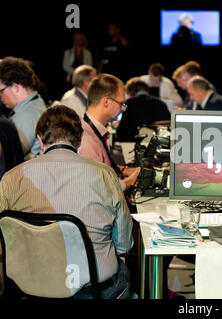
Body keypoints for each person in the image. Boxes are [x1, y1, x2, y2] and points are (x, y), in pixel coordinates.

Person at [0, 105, 135, 299]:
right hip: (94, 289)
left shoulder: (11, 178)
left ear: (39, 138)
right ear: (79, 140)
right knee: (126, 272)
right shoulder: (104, 175)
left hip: (30, 286)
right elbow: (123, 244)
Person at [78, 73, 140, 191]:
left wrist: (126, 171)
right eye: (121, 103)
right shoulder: (86, 139)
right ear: (106, 101)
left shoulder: (94, 131)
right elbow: (99, 188)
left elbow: (103, 167)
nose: (123, 108)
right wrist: (131, 180)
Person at [0, 56, 46, 159]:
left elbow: (7, 154)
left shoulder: (27, 114)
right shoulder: (35, 103)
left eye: (1, 91)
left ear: (15, 87)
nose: (0, 97)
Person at [115, 77, 170, 142]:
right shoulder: (161, 103)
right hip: (158, 144)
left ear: (130, 92)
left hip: (133, 144)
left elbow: (121, 131)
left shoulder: (129, 103)